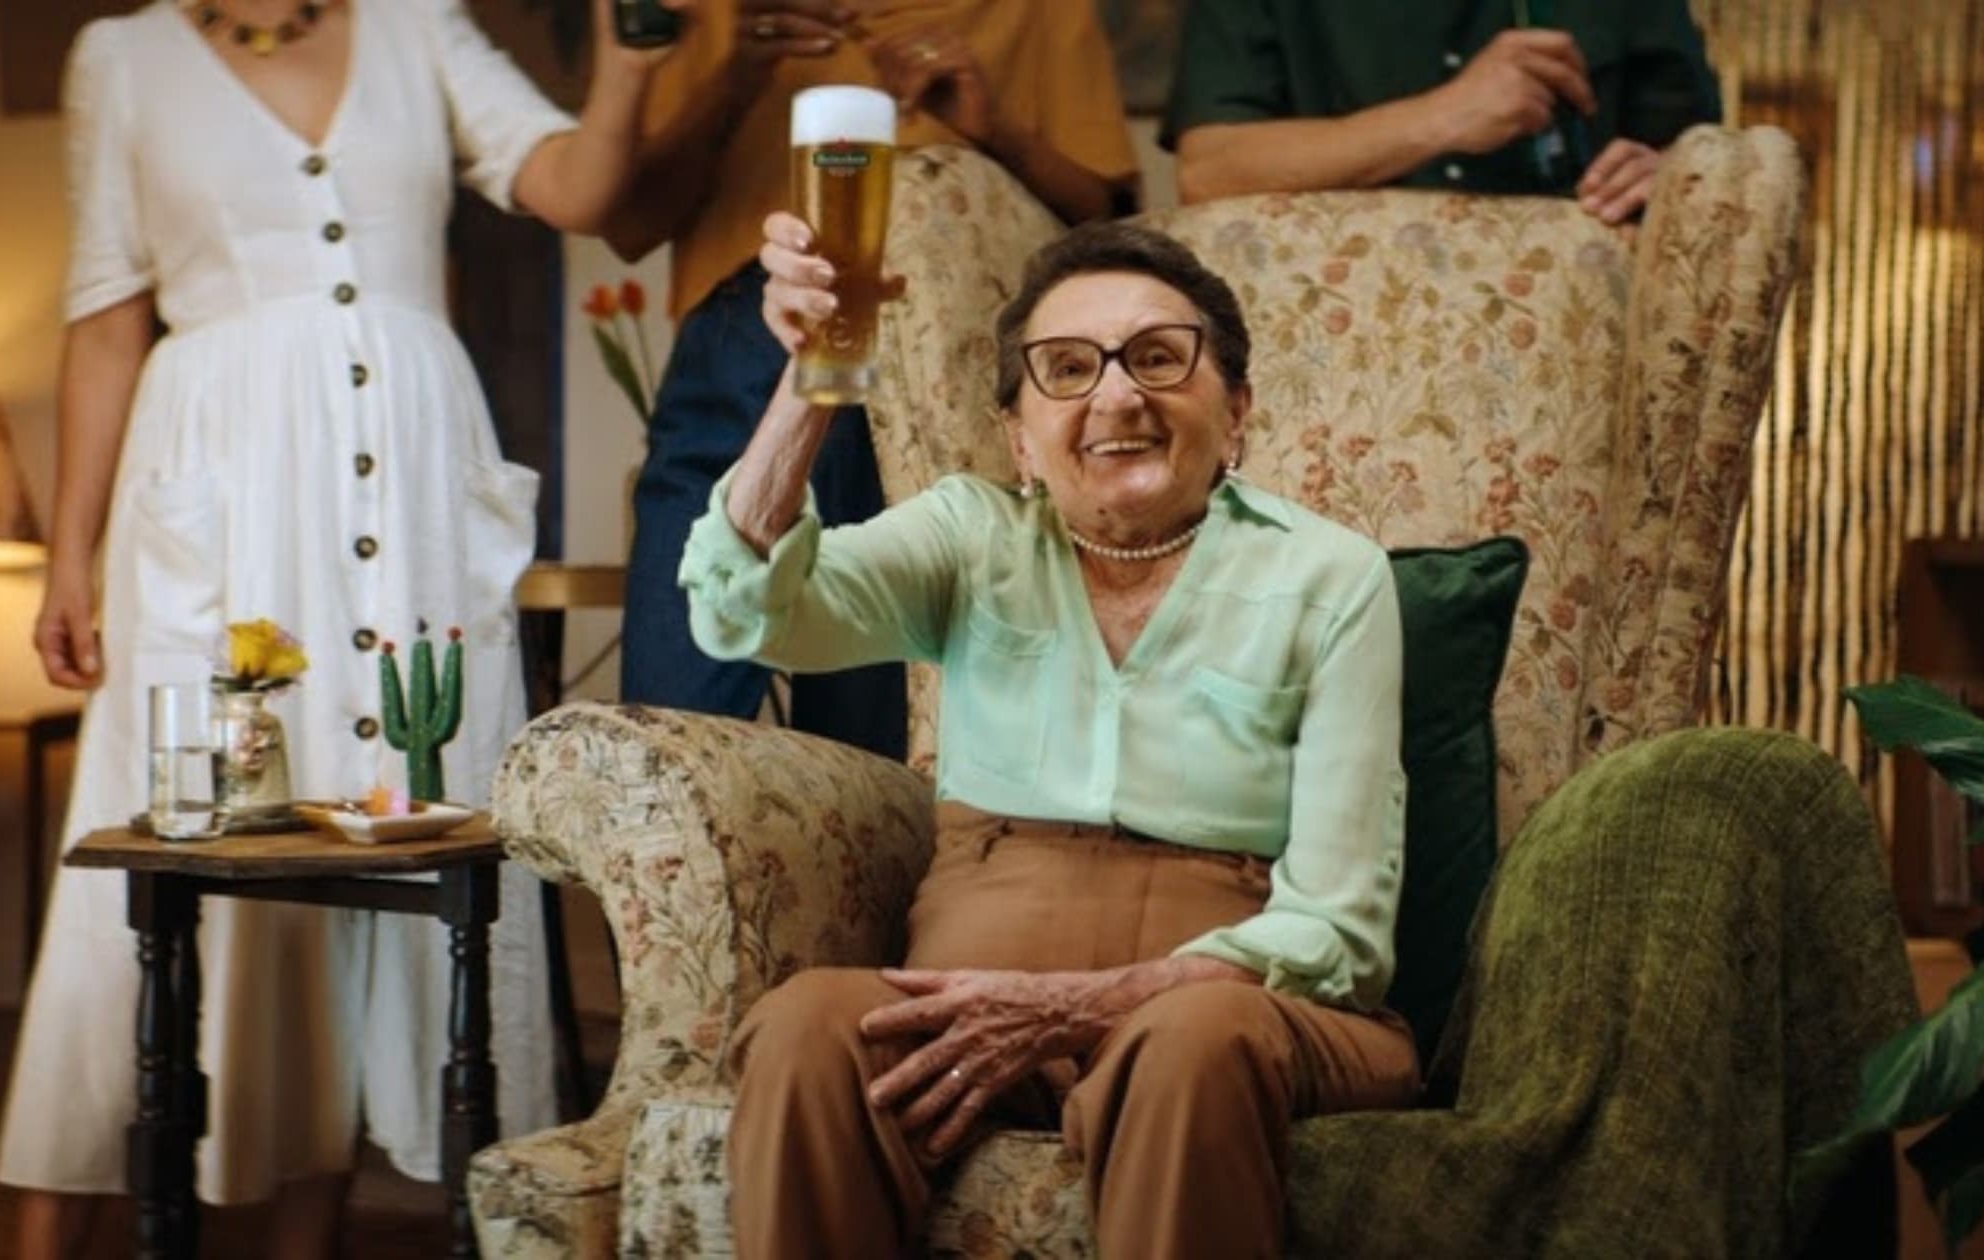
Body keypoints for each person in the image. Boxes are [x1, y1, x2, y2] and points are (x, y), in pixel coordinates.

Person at [0, 1, 686, 1255]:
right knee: (175, 839)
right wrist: (72, 562)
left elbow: (576, 188)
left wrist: (631, 56)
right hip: (223, 480)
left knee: (406, 828)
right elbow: (105, 320)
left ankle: (304, 1239)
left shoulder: (417, 22)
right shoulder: (125, 57)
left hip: (412, 485)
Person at [684, 216, 1418, 1258]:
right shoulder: (967, 536)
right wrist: (814, 374)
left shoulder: (1330, 577)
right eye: (1068, 369)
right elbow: (746, 609)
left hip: (1221, 1005)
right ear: (1020, 439)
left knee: (1191, 1041)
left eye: (1158, 358)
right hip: (966, 999)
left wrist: (1085, 1005)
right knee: (810, 1027)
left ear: (1237, 411)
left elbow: (1340, 930)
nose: (1116, 396)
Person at [605, 0, 1138, 759]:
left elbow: (1112, 222)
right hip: (740, 325)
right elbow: (629, 224)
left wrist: (991, 127)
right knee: (670, 732)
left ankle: (878, 822)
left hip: (937, 345)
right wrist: (733, 80)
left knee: (869, 725)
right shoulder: (725, 14)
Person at [1163, 0, 1721, 224]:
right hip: (1341, 348)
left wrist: (1669, 177)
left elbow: (1693, 157)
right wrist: (1441, 118)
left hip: (1581, 342)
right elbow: (1209, 171)